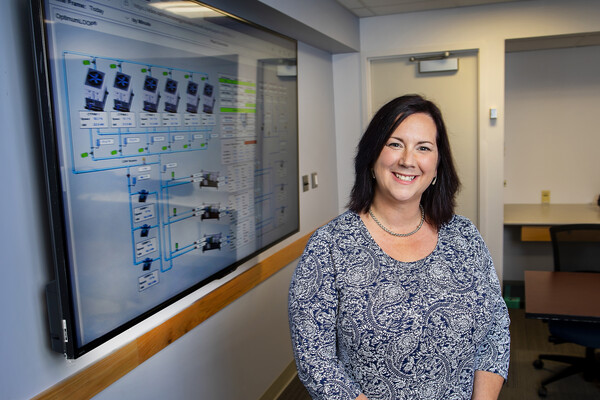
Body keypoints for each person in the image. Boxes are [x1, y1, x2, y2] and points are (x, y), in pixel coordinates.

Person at [288, 94, 510, 400]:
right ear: (371, 156)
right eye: (395, 144)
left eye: (423, 148)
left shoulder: (464, 236)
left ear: (437, 165)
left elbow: (495, 328)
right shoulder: (329, 247)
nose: (408, 160)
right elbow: (316, 360)